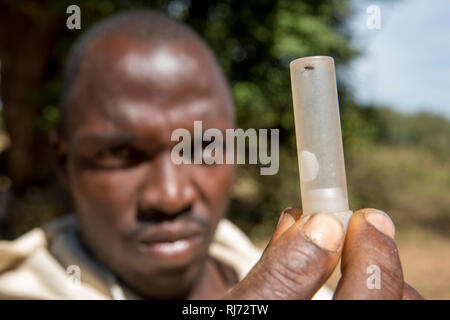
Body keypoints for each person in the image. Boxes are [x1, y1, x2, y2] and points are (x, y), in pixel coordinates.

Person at [0, 10, 422, 300]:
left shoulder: (318, 285)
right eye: (120, 153)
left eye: (202, 145)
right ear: (63, 162)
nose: (169, 196)